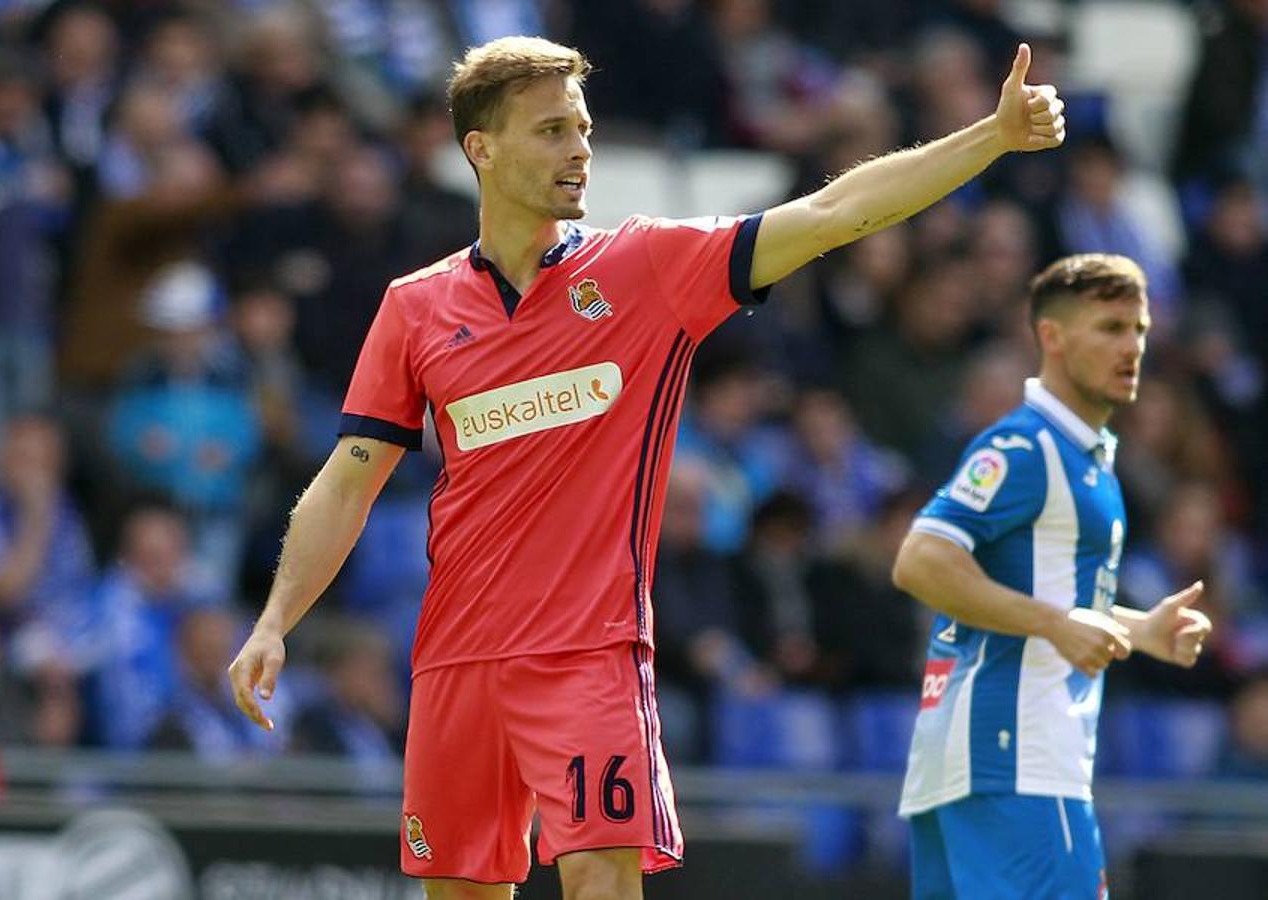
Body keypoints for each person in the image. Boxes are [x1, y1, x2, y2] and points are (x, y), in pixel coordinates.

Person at [227, 35, 1067, 900]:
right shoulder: (415, 307)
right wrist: (274, 621)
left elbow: (833, 213)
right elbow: (347, 479)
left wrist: (991, 137)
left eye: (583, 128)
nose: (580, 148)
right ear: (481, 148)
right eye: (552, 130)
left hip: (588, 653)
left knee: (601, 878)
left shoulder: (648, 268)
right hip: (457, 658)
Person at [891, 254, 1215, 899]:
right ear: (1052, 337)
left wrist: (1141, 630)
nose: (1132, 348)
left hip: (979, 761)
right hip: (1017, 759)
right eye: (1110, 328)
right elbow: (920, 560)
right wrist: (1054, 623)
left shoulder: (1086, 458)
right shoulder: (1026, 448)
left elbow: (1050, 596)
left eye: (1140, 330)